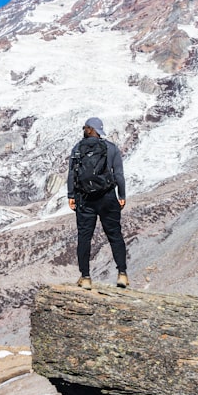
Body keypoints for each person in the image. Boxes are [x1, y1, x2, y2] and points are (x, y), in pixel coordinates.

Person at [67, 117, 129, 290]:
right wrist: (121, 195)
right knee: (115, 235)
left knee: (85, 238)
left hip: (85, 199)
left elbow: (72, 174)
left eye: (84, 128)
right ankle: (122, 274)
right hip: (108, 197)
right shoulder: (111, 148)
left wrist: (71, 195)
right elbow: (119, 175)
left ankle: (85, 277)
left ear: (88, 129)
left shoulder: (78, 148)